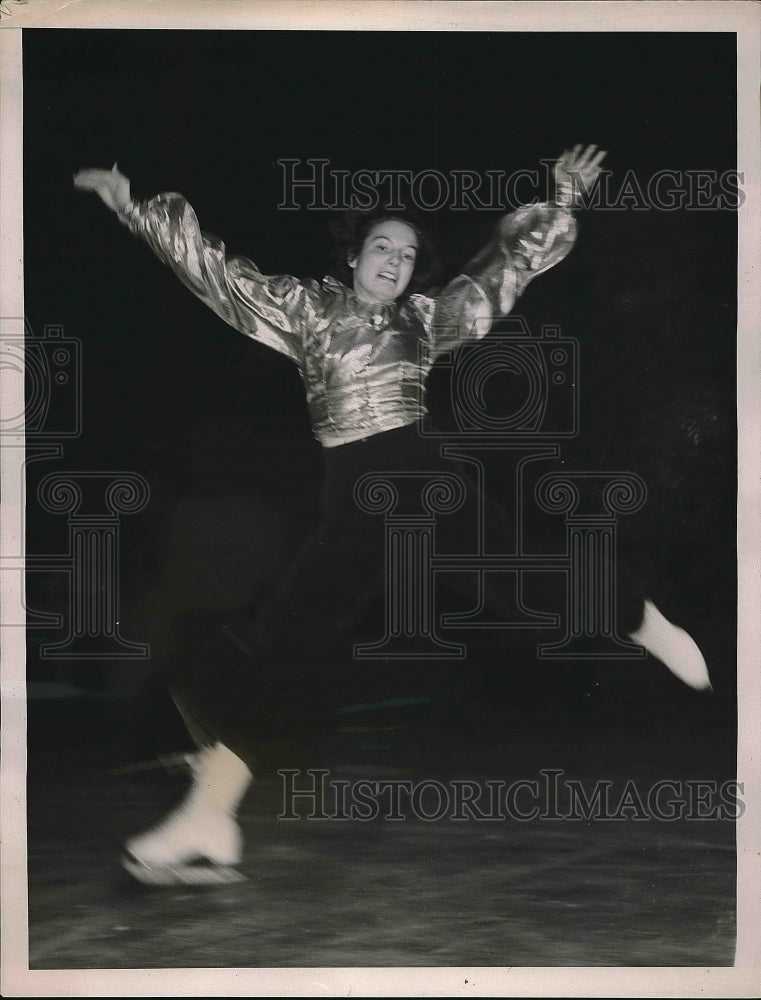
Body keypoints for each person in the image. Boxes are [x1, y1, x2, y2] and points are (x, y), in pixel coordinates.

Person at [74, 145, 710, 885]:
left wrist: (560, 203)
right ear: (354, 256)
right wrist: (135, 209)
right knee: (282, 646)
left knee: (528, 586)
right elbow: (221, 276)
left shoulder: (424, 318)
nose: (394, 260)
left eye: (407, 254)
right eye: (382, 246)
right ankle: (209, 820)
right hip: (349, 497)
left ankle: (640, 619)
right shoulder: (307, 307)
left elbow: (497, 277)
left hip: (417, 476)